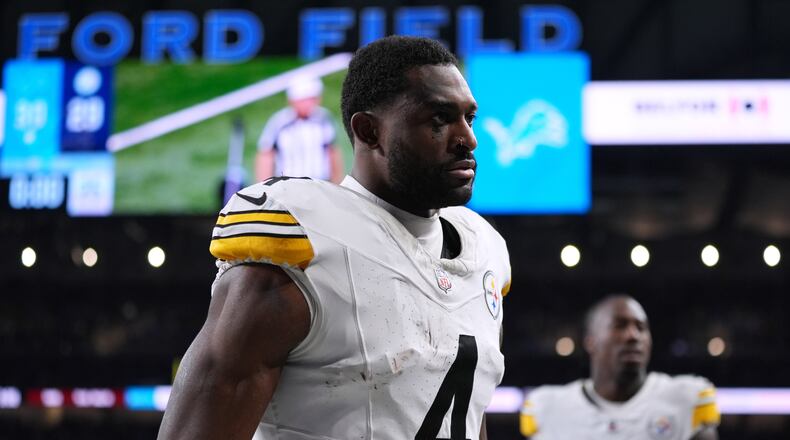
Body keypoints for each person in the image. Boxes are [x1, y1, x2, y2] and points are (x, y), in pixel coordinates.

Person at [158, 35, 511, 440]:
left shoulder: (485, 252)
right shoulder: (303, 243)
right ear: (369, 131)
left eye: (470, 118)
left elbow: (464, 416)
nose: (468, 138)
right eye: (439, 120)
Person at [520, 295, 720, 440]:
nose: (633, 336)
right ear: (591, 341)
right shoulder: (549, 408)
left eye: (641, 327)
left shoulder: (684, 399)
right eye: (620, 325)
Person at [255, 74, 344, 183]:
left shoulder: (324, 119)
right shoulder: (280, 121)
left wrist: (336, 183)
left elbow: (332, 152)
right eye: (305, 100)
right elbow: (266, 155)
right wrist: (265, 185)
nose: (309, 104)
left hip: (320, 183)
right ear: (293, 100)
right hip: (288, 185)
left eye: (312, 99)